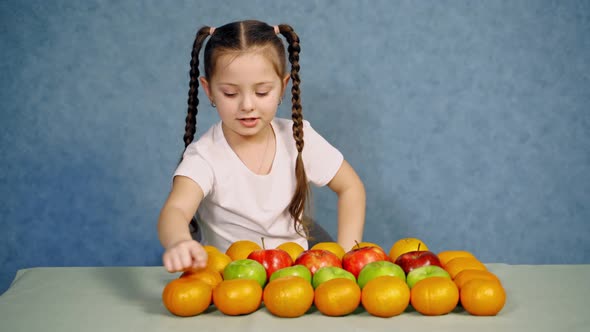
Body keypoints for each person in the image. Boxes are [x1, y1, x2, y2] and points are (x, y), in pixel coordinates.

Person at [157, 20, 366, 273]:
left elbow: (351, 187)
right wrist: (179, 241)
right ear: (209, 90)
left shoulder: (299, 138)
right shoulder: (204, 156)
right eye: (231, 93)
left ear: (283, 87)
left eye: (262, 92)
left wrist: (345, 257)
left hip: (296, 280)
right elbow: (176, 209)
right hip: (234, 286)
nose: (247, 105)